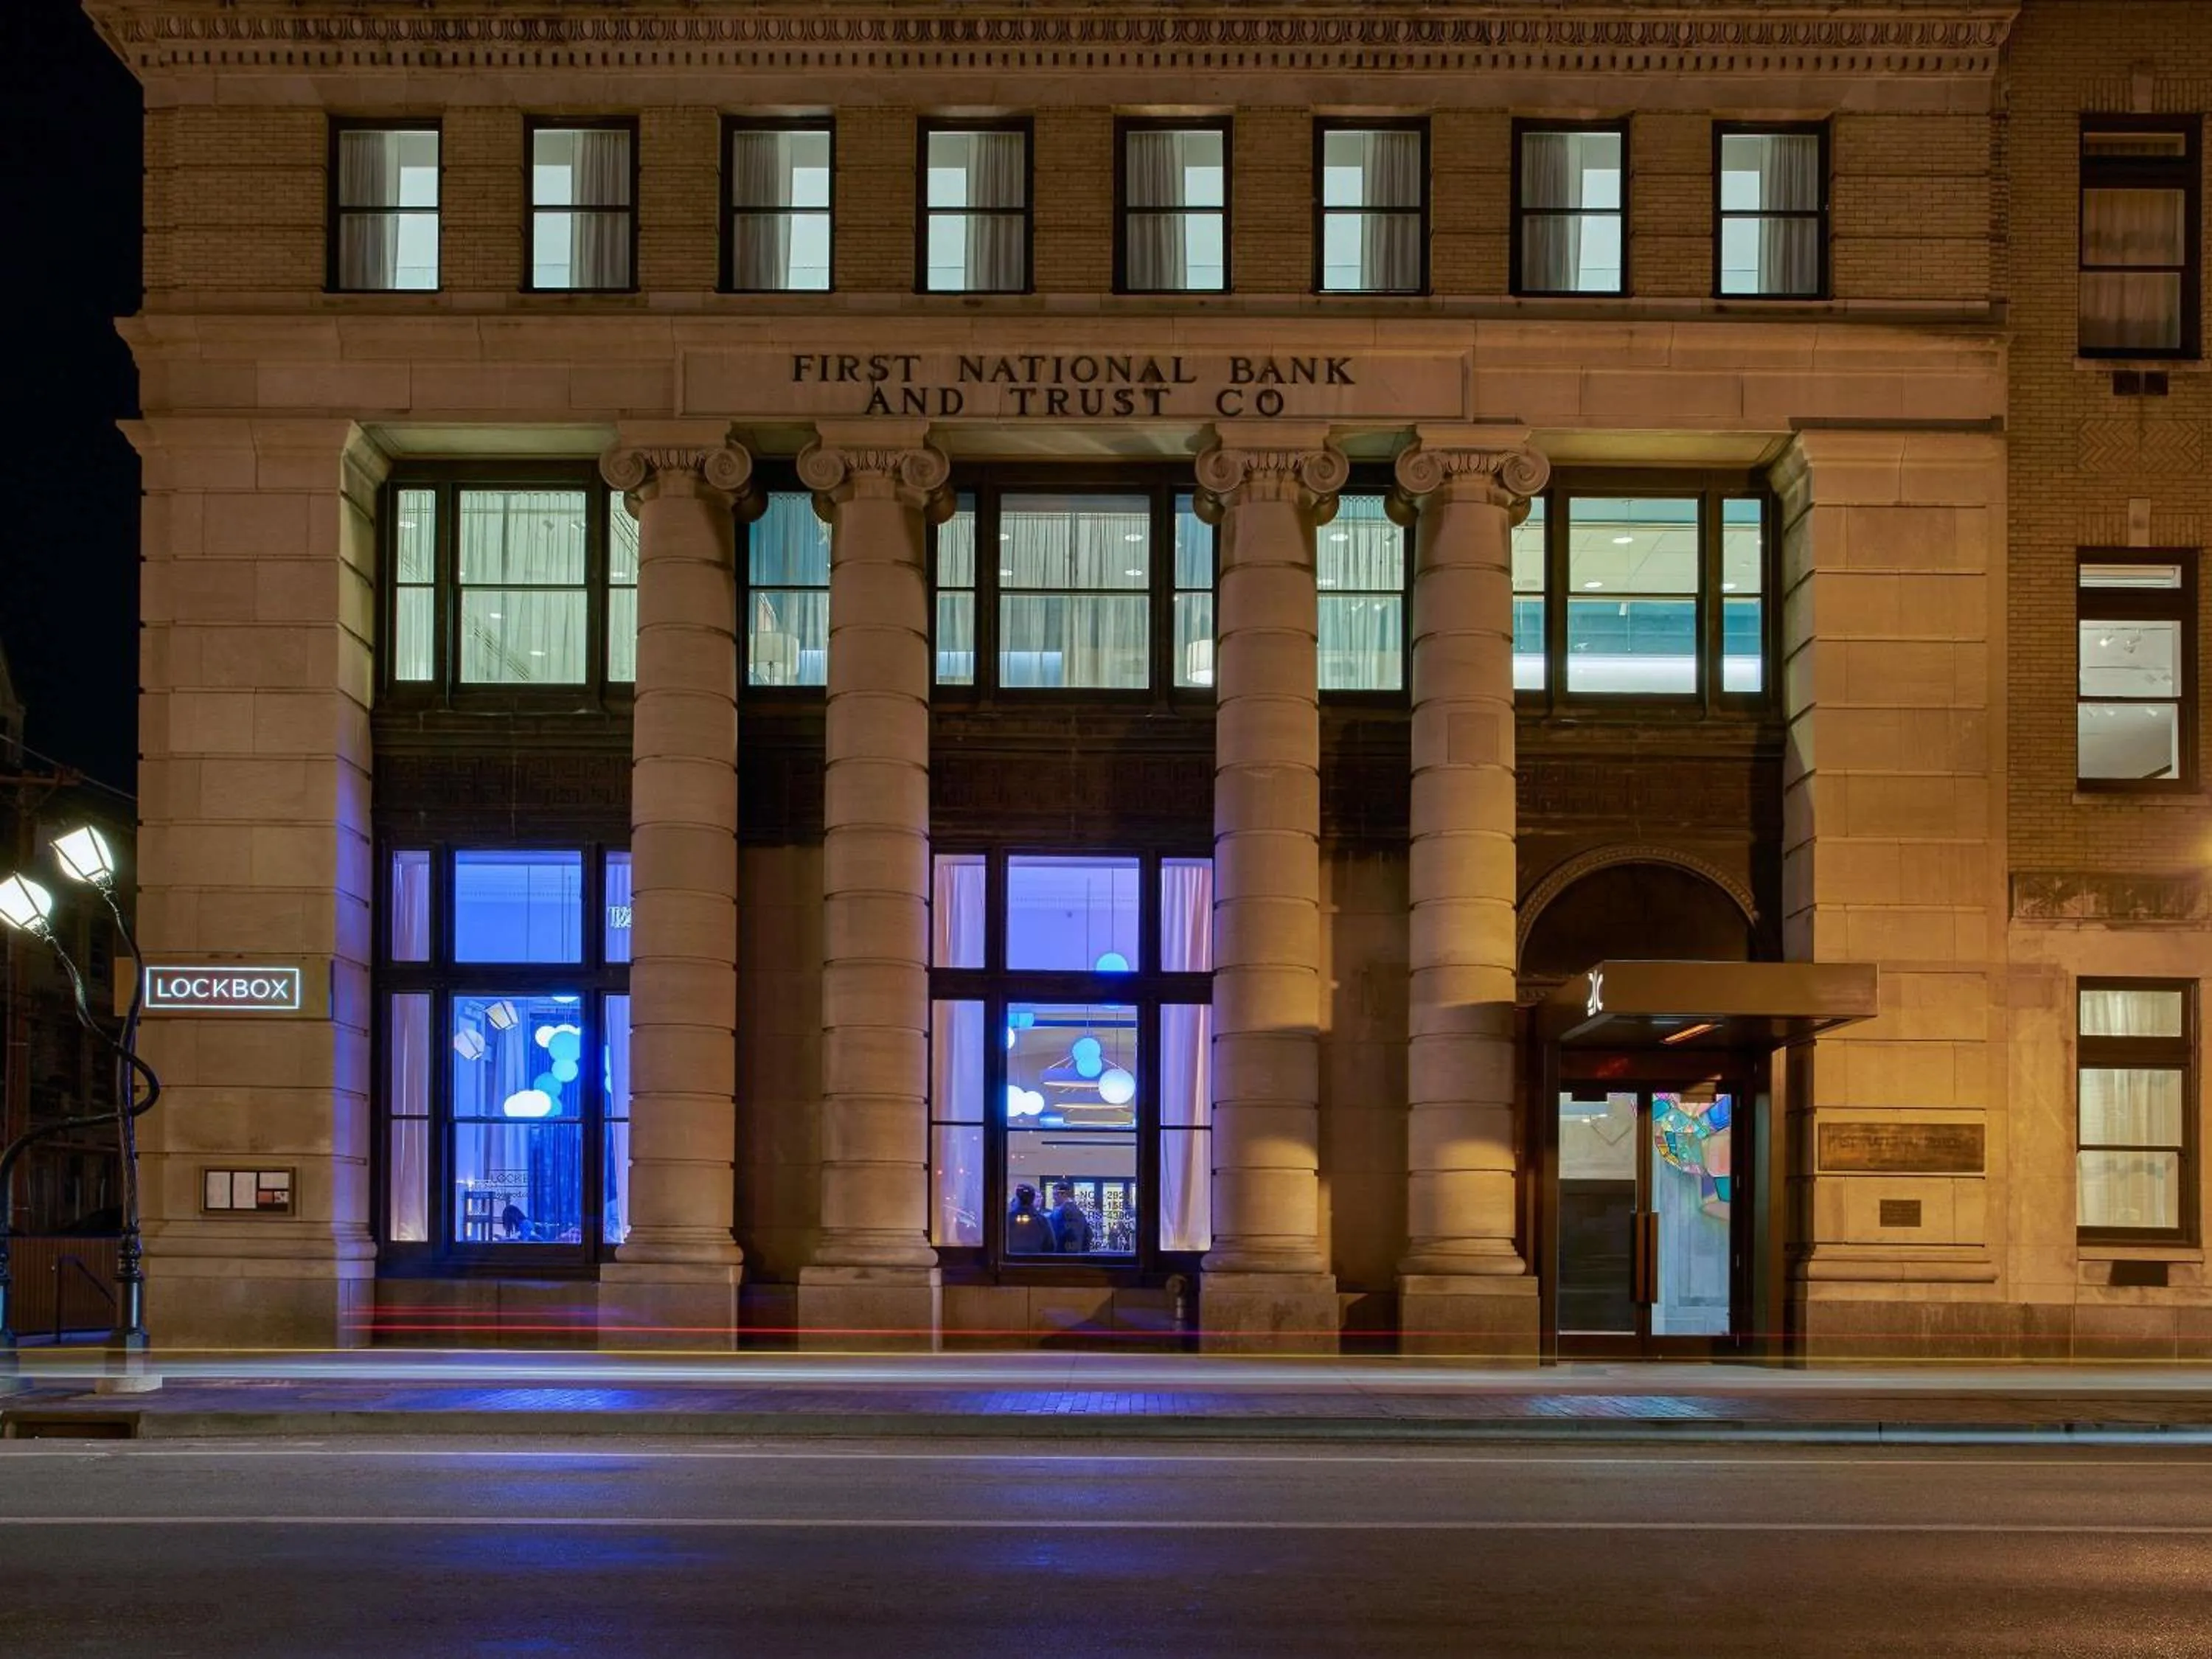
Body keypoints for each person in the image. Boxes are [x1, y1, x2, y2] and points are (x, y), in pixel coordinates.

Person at [1006, 1184, 1057, 1254]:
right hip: (1035, 1262)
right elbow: (1050, 1246)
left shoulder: (1006, 1220)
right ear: (1033, 1198)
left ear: (1017, 1198)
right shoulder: (1042, 1220)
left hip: (1010, 1262)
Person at [1048, 1183, 1093, 1255]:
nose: (1053, 1197)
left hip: (1064, 1256)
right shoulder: (1078, 1211)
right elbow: (1089, 1234)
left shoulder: (1064, 1212)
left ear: (1063, 1194)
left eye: (1055, 1194)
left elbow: (1060, 1235)